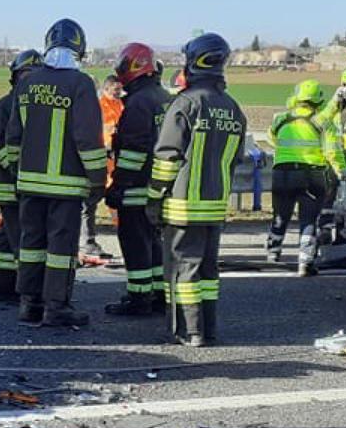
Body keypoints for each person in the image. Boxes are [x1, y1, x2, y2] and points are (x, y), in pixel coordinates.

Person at [4, 18, 105, 328]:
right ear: (80, 48)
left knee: (31, 245)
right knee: (60, 249)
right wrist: (98, 178)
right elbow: (87, 138)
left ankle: (28, 304)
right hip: (66, 186)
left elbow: (13, 137)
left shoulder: (27, 83)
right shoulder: (81, 84)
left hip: (29, 185)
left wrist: (17, 169)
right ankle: (56, 307)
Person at [149, 33, 247, 347]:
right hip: (214, 206)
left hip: (182, 206)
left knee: (182, 270)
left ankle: (187, 331)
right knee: (208, 272)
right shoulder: (233, 109)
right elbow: (235, 161)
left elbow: (167, 157)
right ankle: (209, 327)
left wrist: (153, 197)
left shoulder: (186, 104)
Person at [104, 43, 173, 316]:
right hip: (160, 186)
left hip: (136, 188)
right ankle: (157, 293)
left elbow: (132, 152)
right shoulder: (164, 98)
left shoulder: (138, 104)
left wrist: (118, 187)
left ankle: (138, 297)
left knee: (135, 242)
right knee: (153, 242)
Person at [267, 79, 345, 276]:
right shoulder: (322, 122)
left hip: (282, 173)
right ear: (318, 100)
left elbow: (272, 139)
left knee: (280, 215)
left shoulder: (280, 119)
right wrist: (343, 173)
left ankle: (272, 255)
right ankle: (306, 262)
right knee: (308, 219)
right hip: (312, 175)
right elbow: (332, 152)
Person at [0, 49, 42, 301]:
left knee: (9, 239)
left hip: (29, 186)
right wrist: (18, 171)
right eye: (26, 74)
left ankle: (4, 287)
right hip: (12, 187)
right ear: (15, 76)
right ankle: (25, 291)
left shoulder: (36, 107)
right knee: (21, 240)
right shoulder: (4, 107)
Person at [80, 76, 124, 259]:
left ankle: (124, 236)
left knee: (119, 205)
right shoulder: (99, 107)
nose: (118, 93)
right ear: (106, 89)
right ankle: (86, 242)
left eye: (119, 90)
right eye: (115, 90)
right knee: (89, 205)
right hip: (101, 163)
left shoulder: (121, 105)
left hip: (115, 164)